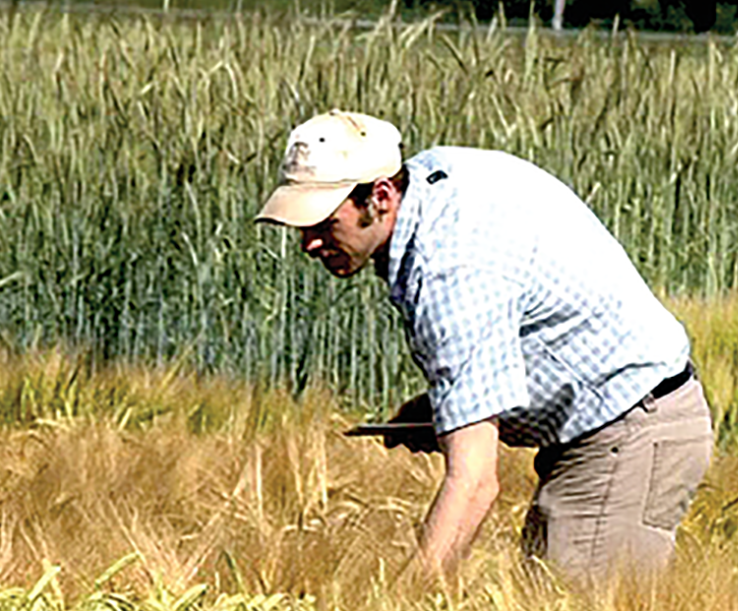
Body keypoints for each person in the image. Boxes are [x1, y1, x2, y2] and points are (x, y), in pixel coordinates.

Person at [256, 109, 713, 584]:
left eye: (324, 223)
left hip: (627, 432)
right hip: (620, 419)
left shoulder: (449, 270)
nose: (308, 242)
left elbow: (475, 484)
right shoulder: (433, 179)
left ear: (381, 196)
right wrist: (445, 408)